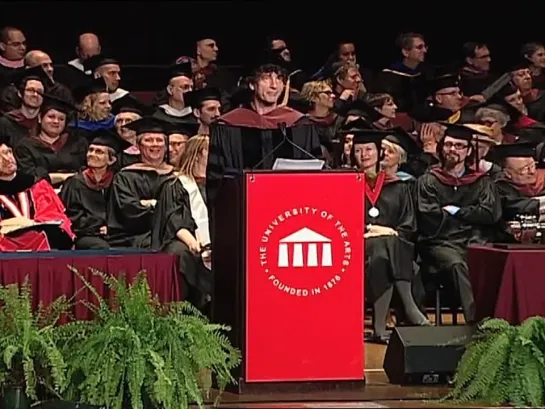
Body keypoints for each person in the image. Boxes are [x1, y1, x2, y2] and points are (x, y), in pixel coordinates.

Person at [343, 119, 429, 343]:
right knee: (386, 248)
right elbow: (338, 220)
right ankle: (408, 309)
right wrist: (370, 230)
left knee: (383, 252)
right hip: (355, 245)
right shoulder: (343, 184)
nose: (364, 155)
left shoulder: (398, 186)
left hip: (389, 248)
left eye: (369, 149)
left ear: (379, 153)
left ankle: (380, 328)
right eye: (358, 150)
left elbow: (408, 225)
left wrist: (387, 233)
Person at [416, 123, 502, 323]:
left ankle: (502, 320)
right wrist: (471, 214)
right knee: (457, 263)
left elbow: (490, 213)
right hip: (440, 242)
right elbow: (428, 215)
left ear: (469, 150)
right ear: (441, 148)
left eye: (459, 146)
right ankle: (477, 322)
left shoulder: (481, 181)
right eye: (448, 145)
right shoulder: (429, 180)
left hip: (475, 240)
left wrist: (456, 211)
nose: (452, 150)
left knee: (493, 261)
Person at [206, 62, 322, 203]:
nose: (274, 85)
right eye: (266, 78)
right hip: (243, 208)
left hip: (292, 207)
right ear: (252, 84)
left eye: (279, 78)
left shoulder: (300, 125)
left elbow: (315, 175)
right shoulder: (228, 126)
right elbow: (217, 180)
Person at [152, 136, 212, 308]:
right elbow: (174, 218)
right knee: (180, 253)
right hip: (187, 241)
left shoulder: (219, 184)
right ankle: (186, 311)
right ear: (198, 154)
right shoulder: (175, 185)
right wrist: (194, 243)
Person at [106, 117, 174, 248]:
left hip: (170, 233)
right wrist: (163, 210)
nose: (155, 144)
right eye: (148, 140)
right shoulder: (125, 177)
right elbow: (129, 211)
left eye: (159, 140)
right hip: (134, 237)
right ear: (138, 146)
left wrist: (150, 204)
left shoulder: (176, 175)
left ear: (166, 147)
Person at [0, 134, 73, 251]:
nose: (7, 159)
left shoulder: (37, 185)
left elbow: (53, 215)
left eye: (8, 152)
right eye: (0, 156)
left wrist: (32, 225)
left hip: (38, 237)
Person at [60, 129, 123, 249]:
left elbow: (124, 211)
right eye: (90, 150)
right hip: (85, 235)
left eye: (99, 152)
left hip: (115, 232)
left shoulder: (118, 182)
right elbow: (71, 217)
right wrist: (100, 225)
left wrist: (112, 227)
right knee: (100, 247)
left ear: (111, 160)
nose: (92, 154)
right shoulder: (74, 183)